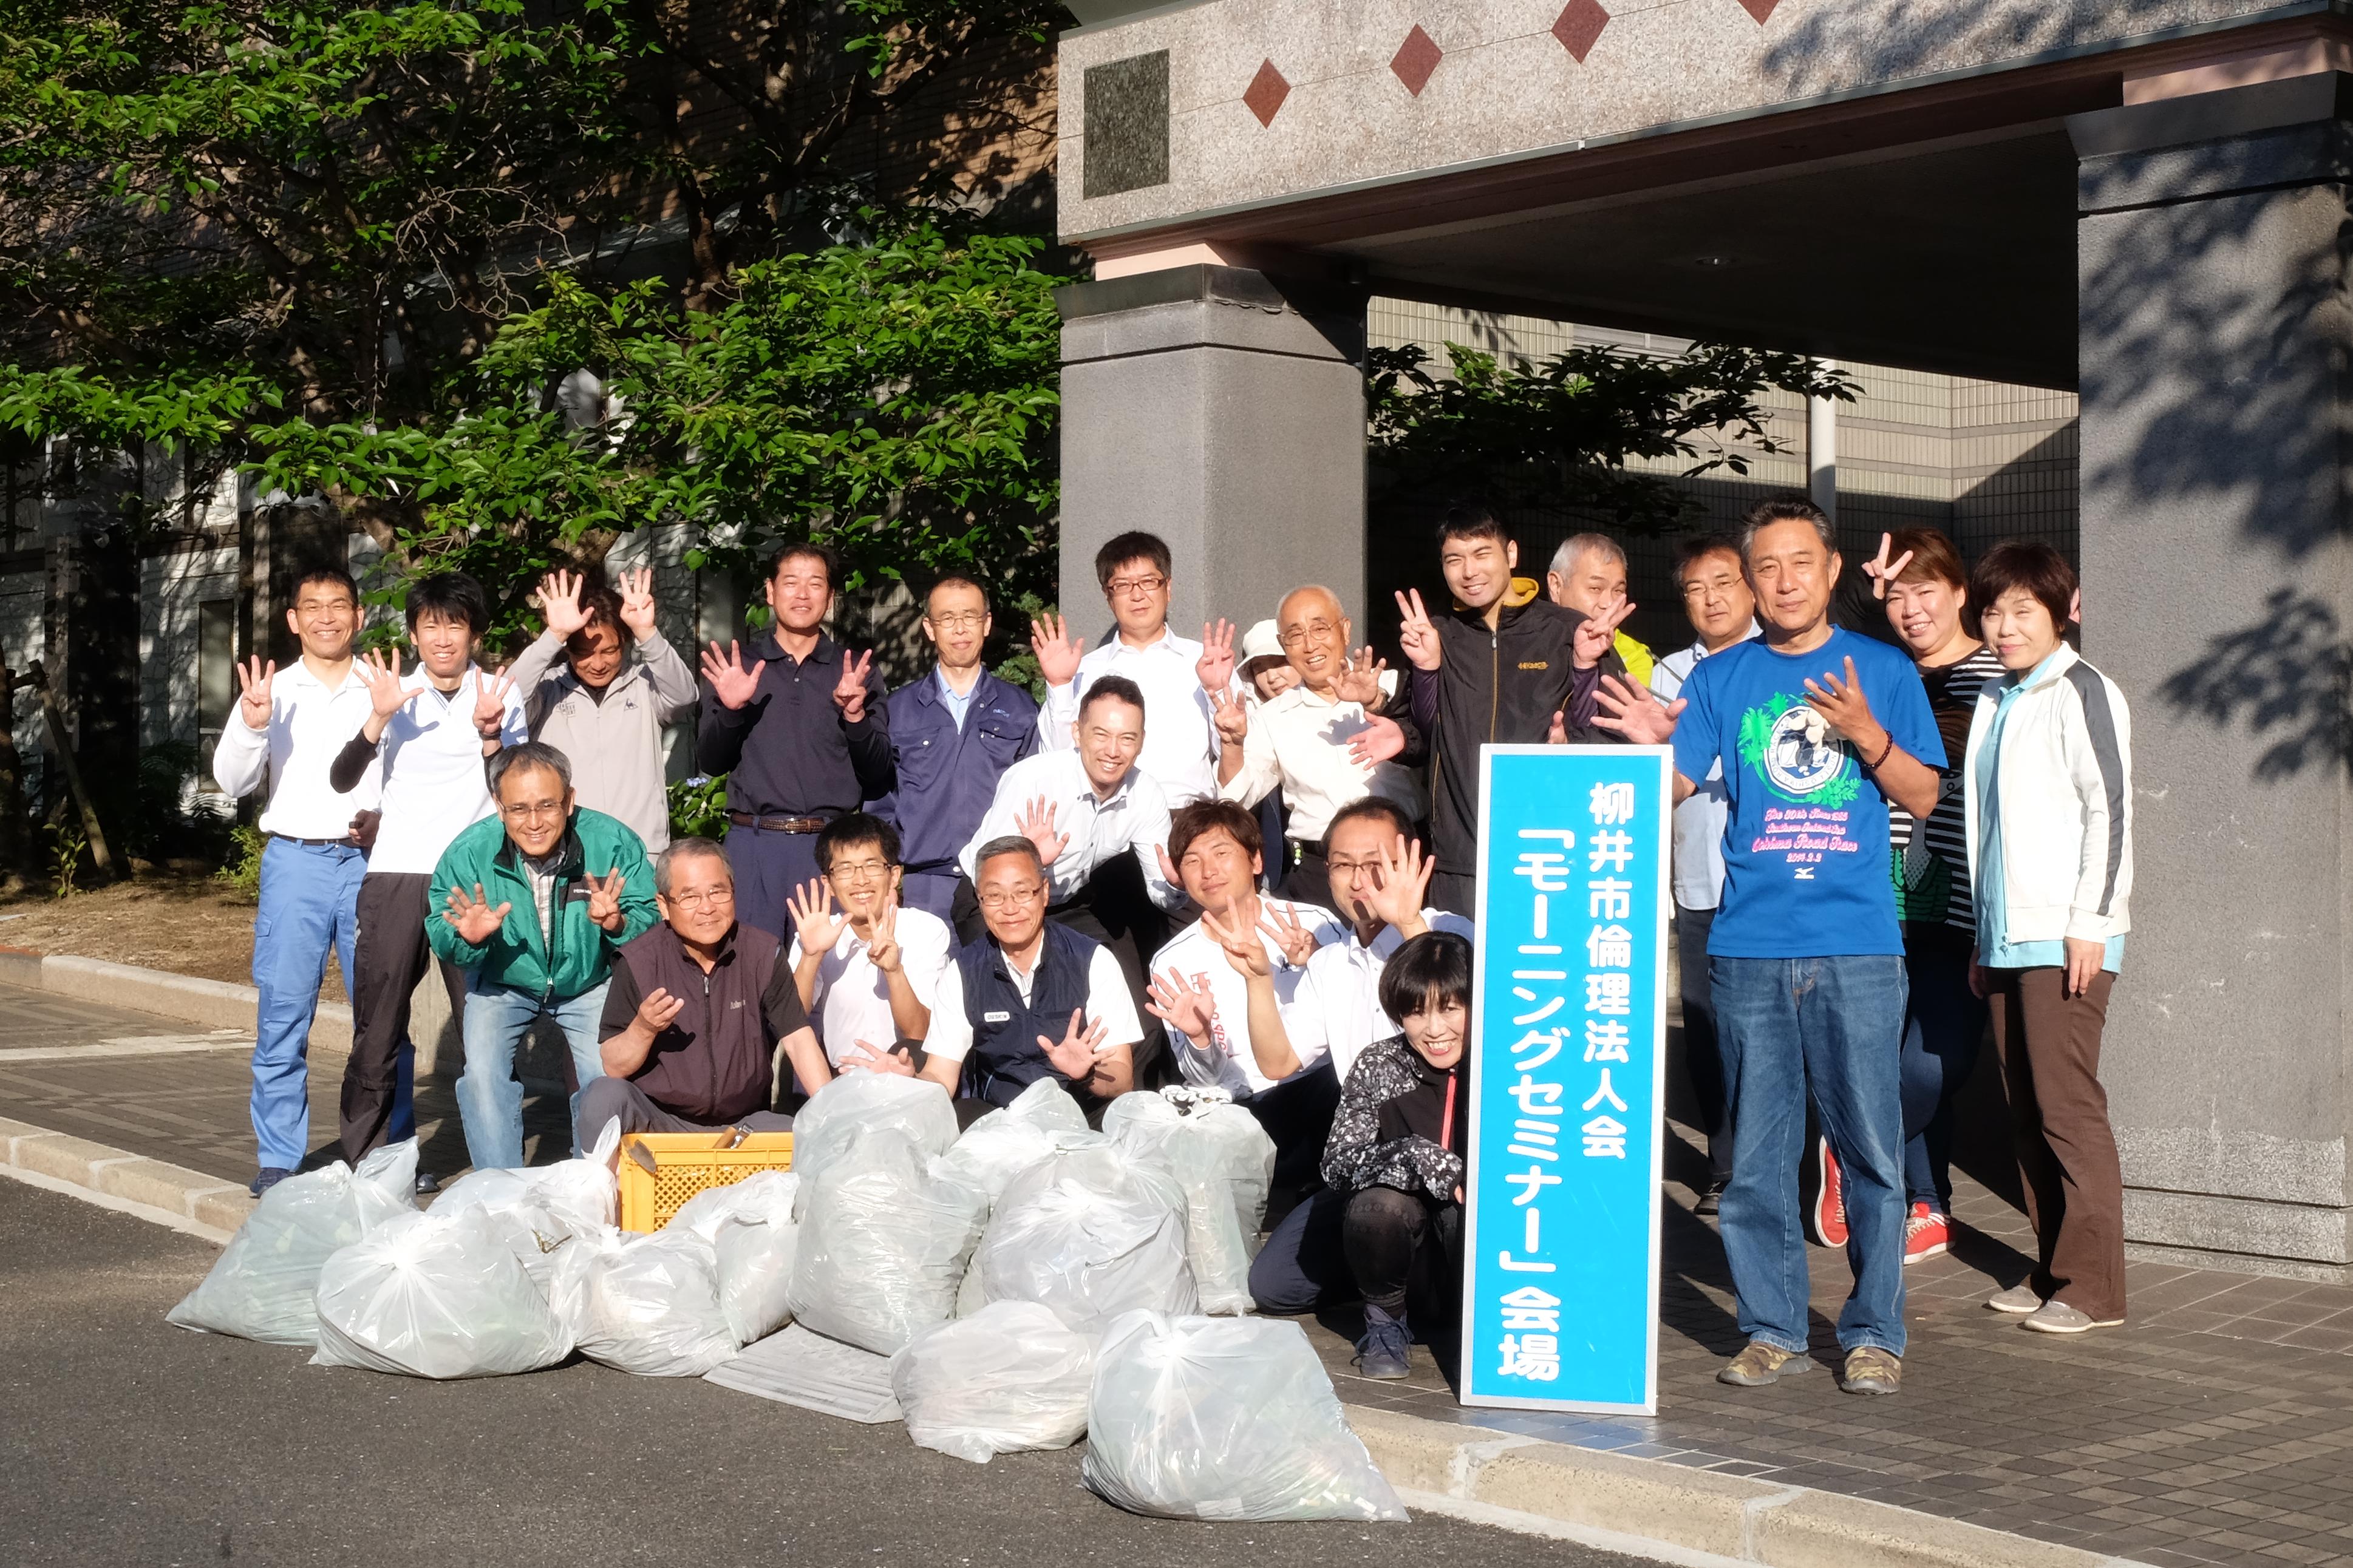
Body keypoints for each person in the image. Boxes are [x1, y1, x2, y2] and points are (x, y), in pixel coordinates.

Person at [1595, 497, 1943, 1397]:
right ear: (1751, 582)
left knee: (1870, 1154)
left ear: (1830, 570)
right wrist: (1639, 756)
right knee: (1753, 1159)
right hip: (1747, 945)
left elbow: (1923, 796)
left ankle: (1873, 1332)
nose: (1784, 581)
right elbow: (1672, 787)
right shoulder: (1720, 678)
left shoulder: (1881, 668)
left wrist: (1865, 732)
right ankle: (1771, 1327)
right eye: (1766, 567)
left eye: (1800, 563)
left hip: (1856, 945)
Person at [1965, 542, 2132, 1336]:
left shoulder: (2080, 689)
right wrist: (1981, 936)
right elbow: (1990, 830)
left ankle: (2091, 1290)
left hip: (2064, 934)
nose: (2003, 626)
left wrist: (2090, 922)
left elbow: (2110, 809)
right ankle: (2051, 1270)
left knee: (2067, 1108)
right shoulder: (1997, 696)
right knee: (2026, 1111)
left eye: (2021, 610)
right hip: (2006, 935)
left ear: (2063, 610)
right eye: (1992, 612)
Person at [212, 565, 409, 1196]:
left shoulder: (385, 687)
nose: (327, 617)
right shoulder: (272, 690)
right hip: (295, 863)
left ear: (359, 616)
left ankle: (390, 1152)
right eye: (313, 606)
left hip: (372, 866)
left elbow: (413, 781)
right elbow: (232, 782)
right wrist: (253, 723)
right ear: (293, 619)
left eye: (339, 605)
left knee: (383, 1018)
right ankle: (278, 1156)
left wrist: (387, 820)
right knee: (283, 1014)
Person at [1844, 528, 2007, 1264]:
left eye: (1926, 592)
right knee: (1884, 1055)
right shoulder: (1883, 672)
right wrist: (1861, 597)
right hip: (1875, 902)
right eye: (1896, 596)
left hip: (1960, 905)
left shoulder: (1995, 674)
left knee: (1928, 1064)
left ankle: (1849, 1148)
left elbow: (1946, 752)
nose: (1911, 609)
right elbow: (1820, 642)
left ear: (1959, 593)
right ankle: (1926, 1202)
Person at [331, 571, 528, 1176]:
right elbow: (342, 778)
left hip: (472, 880)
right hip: (397, 873)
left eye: (456, 625)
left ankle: (497, 1172)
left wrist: (492, 735)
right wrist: (378, 718)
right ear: (414, 634)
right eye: (431, 626)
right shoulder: (391, 691)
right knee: (378, 1027)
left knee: (485, 1031)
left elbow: (514, 790)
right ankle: (368, 1169)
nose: (443, 638)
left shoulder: (499, 691)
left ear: (474, 633)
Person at [427, 741, 659, 1171]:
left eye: (547, 806)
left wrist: (618, 925)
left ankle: (592, 1184)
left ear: (569, 801)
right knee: (481, 1077)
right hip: (503, 981)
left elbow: (649, 917)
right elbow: (441, 931)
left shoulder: (612, 843)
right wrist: (469, 939)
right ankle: (502, 1190)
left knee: (604, 1079)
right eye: (518, 809)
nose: (534, 823)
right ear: (499, 807)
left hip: (589, 980)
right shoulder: (468, 852)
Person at [1400, 502, 1629, 914]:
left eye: (1481, 554)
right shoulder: (1437, 635)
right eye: (1454, 559)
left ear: (1511, 554)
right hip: (1459, 861)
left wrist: (1583, 669)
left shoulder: (1569, 631)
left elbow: (1612, 735)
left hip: (1552, 850)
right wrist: (1426, 671)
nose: (1469, 571)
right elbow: (1424, 737)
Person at [1141, 801, 1340, 1207]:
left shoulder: (1312, 922)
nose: (1208, 870)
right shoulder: (1171, 960)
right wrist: (1199, 1039)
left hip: (1318, 1092)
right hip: (1238, 1107)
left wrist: (1318, 962)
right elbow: (1203, 1080)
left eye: (1221, 852)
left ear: (1256, 859)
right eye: (1192, 860)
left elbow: (1354, 1024)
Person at [697, 541, 894, 942]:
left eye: (815, 584)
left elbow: (878, 776)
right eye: (790, 583)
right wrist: (732, 709)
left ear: (830, 596)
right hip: (754, 845)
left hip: (831, 849)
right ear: (770, 592)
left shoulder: (855, 671)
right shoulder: (740, 667)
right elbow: (711, 761)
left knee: (832, 967)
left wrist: (854, 716)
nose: (802, 594)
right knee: (753, 968)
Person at [579, 837, 833, 1147]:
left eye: (718, 892)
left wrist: (831, 1114)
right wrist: (643, 1029)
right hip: (660, 1122)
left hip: (743, 1125)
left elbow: (798, 1038)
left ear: (733, 892)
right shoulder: (638, 961)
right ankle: (604, 1180)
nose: (707, 908)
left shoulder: (762, 953)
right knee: (603, 1096)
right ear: (664, 906)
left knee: (808, 1137)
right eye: (690, 897)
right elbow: (614, 1066)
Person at [1649, 534, 1762, 1216]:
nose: (1711, 599)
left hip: (1771, 882)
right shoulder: (1669, 673)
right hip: (1697, 881)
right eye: (1695, 589)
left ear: (1750, 588)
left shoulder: (1779, 659)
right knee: (1706, 1028)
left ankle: (1783, 1163)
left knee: (1770, 1030)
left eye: (1723, 583)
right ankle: (1724, 1166)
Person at [958, 675, 1180, 996]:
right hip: (994, 900)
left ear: (1142, 742)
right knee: (1010, 1000)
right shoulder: (1033, 779)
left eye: (1127, 739)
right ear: (1077, 732)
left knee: (1121, 993)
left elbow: (1163, 893)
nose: (1113, 751)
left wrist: (1176, 883)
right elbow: (988, 875)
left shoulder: (1146, 794)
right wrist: (1031, 862)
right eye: (1101, 735)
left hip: (1067, 901)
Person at [1318, 931, 1474, 1379]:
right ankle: (1385, 1321)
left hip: (1477, 1244)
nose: (1435, 1029)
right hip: (1405, 1237)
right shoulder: (1379, 1063)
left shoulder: (1515, 1061)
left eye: (1450, 1008)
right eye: (1416, 1011)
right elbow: (1337, 1163)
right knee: (1273, 1286)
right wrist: (1418, 1155)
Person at [911, 835, 1146, 1126]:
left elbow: (1121, 1080)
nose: (1010, 909)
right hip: (1001, 1122)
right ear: (980, 901)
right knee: (963, 1113)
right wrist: (909, 1084)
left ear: (1044, 893)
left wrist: (1085, 1074)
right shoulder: (963, 971)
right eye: (995, 896)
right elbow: (941, 1073)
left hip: (1081, 1119)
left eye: (1022, 892)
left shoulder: (1093, 960)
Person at [1216, 585, 1425, 904]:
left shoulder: (1393, 687)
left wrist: (1377, 703)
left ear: (1345, 629)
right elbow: (1237, 797)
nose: (1310, 644)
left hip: (1401, 863)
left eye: (1320, 628)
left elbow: (1433, 748)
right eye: (1295, 635)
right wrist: (1232, 744)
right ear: (1284, 645)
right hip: (1320, 872)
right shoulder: (1272, 717)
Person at [873, 575, 1040, 931]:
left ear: (987, 624)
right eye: (947, 618)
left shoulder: (1020, 708)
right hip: (923, 885)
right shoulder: (899, 711)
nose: (960, 628)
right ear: (929, 629)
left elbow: (1034, 796)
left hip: (997, 885)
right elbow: (881, 801)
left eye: (970, 616)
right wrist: (887, 871)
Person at [1029, 531, 1238, 807]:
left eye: (1149, 582)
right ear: (1108, 596)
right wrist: (1059, 686)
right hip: (1108, 818)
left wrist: (1217, 692)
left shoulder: (1206, 662)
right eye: (1123, 585)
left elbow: (1234, 758)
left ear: (1168, 588)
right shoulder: (1083, 670)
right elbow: (1057, 758)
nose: (1137, 595)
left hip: (1189, 818)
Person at [505, 566, 698, 852]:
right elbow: (507, 700)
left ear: (625, 644)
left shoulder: (645, 685)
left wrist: (647, 633)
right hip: (565, 851)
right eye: (584, 653)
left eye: (609, 651)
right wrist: (554, 635)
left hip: (641, 850)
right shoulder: (547, 689)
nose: (597, 664)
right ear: (567, 650)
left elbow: (684, 695)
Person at [785, 813, 955, 1072]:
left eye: (872, 866)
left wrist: (894, 971)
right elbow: (790, 1021)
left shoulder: (926, 930)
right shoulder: (816, 934)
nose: (861, 880)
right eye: (845, 869)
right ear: (828, 884)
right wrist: (812, 956)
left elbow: (920, 1033)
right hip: (843, 1080)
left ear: (894, 875)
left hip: (911, 1077)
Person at [1548, 532, 1656, 685]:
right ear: (1556, 586)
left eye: (1618, 591)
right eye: (1596, 588)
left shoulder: (1635, 655)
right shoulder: (1526, 640)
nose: (1609, 603)